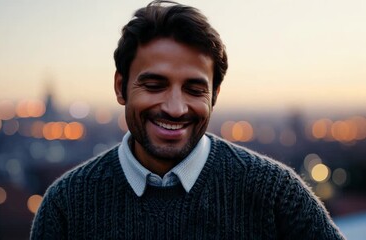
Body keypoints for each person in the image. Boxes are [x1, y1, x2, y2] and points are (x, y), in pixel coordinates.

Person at [31, 1, 345, 239]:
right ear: (120, 87)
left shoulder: (275, 193)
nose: (175, 107)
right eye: (154, 85)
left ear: (214, 96)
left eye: (194, 88)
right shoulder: (67, 205)